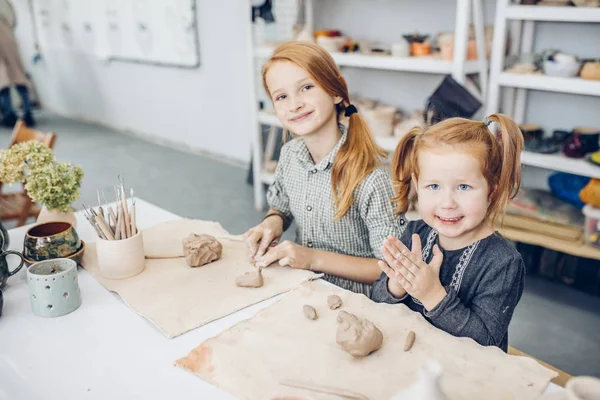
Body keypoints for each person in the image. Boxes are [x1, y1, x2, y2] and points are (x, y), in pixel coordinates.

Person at [244, 41, 405, 296]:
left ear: (335, 92)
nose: (294, 104)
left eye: (306, 88)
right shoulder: (289, 155)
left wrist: (312, 259)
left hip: (357, 303)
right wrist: (271, 224)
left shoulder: (371, 178)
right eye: (281, 96)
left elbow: (390, 269)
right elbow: (282, 207)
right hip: (305, 289)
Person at [371, 114, 525, 352]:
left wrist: (433, 295)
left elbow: (487, 341)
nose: (447, 203)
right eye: (433, 186)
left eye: (463, 187)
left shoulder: (503, 263)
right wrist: (396, 286)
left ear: (491, 190)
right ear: (417, 184)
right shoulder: (415, 233)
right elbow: (377, 298)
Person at [0, 0, 36, 127]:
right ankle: (27, 112)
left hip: (5, 33)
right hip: (8, 35)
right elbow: (13, 20)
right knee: (17, 74)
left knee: (3, 78)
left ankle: (10, 114)